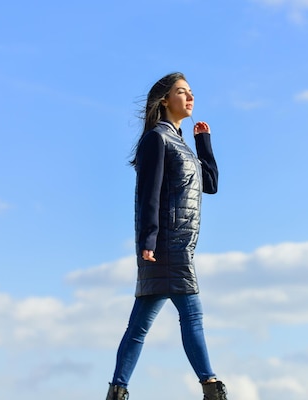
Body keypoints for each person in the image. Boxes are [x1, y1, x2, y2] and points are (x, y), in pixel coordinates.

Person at [105, 72, 227, 400]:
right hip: (167, 245)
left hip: (177, 243)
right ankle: (211, 387)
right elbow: (149, 193)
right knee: (192, 314)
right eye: (182, 92)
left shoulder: (181, 143)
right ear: (164, 101)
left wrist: (203, 142)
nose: (190, 97)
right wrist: (148, 240)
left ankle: (117, 391)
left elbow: (211, 184)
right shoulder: (156, 139)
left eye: (191, 93)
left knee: (139, 326)